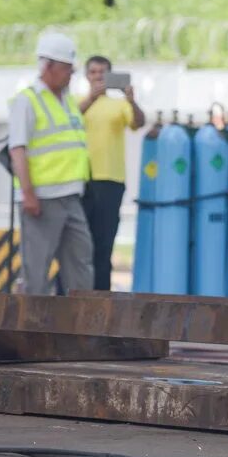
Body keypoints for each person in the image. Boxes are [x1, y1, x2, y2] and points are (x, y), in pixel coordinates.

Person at [8, 33, 93, 295]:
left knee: (81, 265)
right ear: (47, 66)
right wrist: (29, 194)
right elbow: (17, 150)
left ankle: (79, 330)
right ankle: (33, 332)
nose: (70, 75)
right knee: (37, 270)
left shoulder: (67, 101)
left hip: (71, 197)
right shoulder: (27, 100)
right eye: (66, 69)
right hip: (42, 201)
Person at [78, 55, 146, 290]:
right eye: (94, 72)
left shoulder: (119, 105)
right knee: (76, 244)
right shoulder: (77, 102)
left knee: (104, 244)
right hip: (81, 180)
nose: (98, 77)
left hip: (110, 181)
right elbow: (70, 120)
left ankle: (100, 296)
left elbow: (139, 122)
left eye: (102, 72)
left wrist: (132, 101)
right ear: (87, 76)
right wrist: (91, 98)